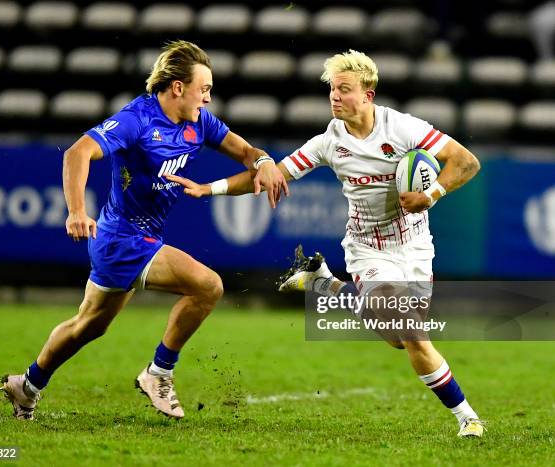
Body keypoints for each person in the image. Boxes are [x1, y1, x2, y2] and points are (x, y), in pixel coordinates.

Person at [166, 49, 485, 437]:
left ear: (368, 95)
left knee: (399, 341)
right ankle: (468, 418)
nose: (335, 96)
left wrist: (430, 195)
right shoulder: (329, 142)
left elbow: (466, 162)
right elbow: (270, 176)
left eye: (344, 90)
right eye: (332, 89)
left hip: (416, 246)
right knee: (413, 333)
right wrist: (209, 188)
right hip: (367, 248)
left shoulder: (402, 128)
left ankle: (323, 284)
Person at [0, 40, 288, 420]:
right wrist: (75, 210)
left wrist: (265, 160)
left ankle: (28, 385)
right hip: (121, 237)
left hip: (142, 236)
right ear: (177, 88)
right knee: (207, 286)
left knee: (87, 325)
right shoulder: (137, 119)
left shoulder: (199, 123)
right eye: (204, 90)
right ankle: (159, 373)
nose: (208, 99)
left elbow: (248, 154)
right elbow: (77, 153)